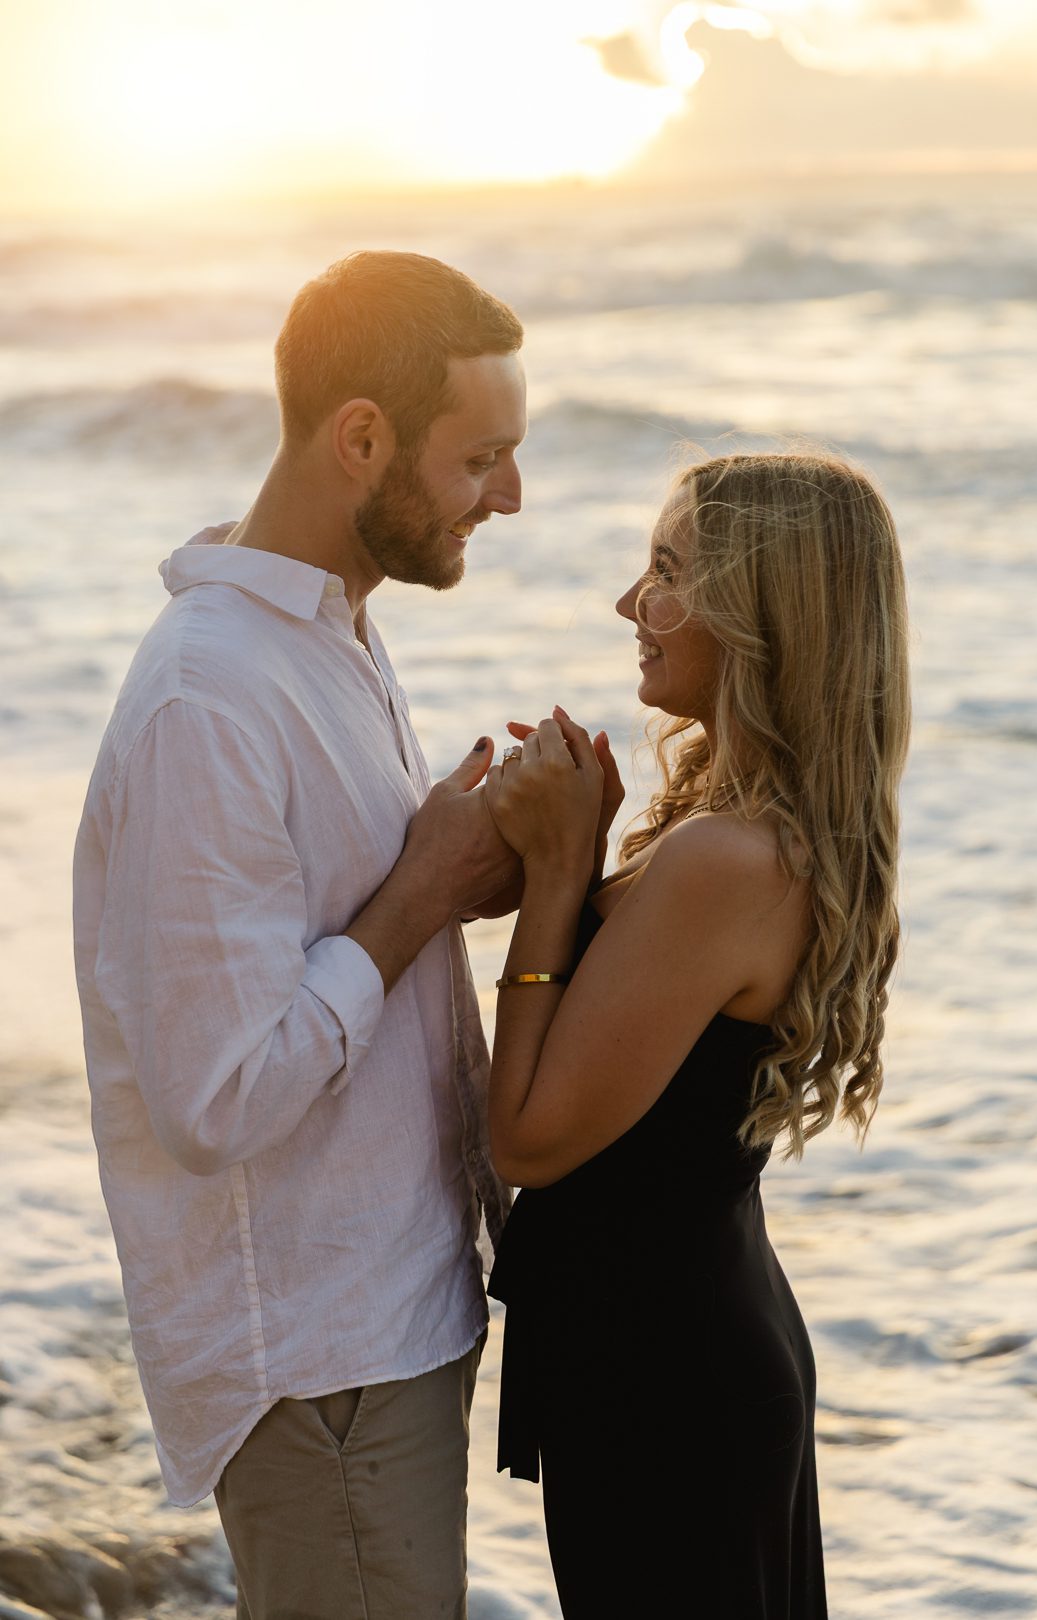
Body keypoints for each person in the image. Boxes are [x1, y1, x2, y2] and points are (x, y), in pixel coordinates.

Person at [73, 251, 534, 1620]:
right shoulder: (209, 697)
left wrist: (458, 861)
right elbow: (215, 1098)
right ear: (362, 440)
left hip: (384, 1328)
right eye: (482, 458)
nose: (510, 496)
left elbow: (331, 928)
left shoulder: (329, 629)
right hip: (321, 1367)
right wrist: (417, 898)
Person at [483, 450, 911, 1618]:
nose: (631, 602)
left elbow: (526, 1139)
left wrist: (559, 875)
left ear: (760, 612)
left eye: (666, 570)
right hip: (692, 1339)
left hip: (665, 1382)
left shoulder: (727, 860)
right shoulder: (744, 831)